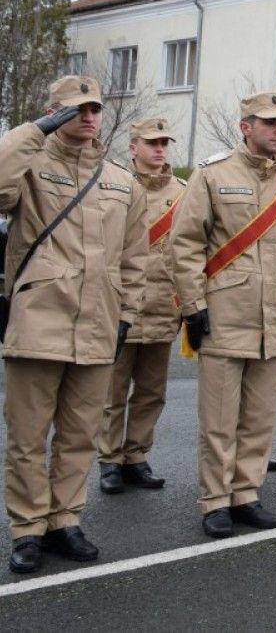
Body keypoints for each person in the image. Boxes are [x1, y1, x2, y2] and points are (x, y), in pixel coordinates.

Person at [1, 76, 148, 574]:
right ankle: (27, 528)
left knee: (80, 434)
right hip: (38, 320)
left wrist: (126, 316)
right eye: (75, 109)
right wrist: (34, 131)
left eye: (94, 109)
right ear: (54, 113)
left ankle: (65, 520)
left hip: (99, 322)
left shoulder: (121, 180)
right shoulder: (30, 165)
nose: (87, 117)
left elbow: (135, 259)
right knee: (27, 437)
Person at [170, 91, 276, 539]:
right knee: (219, 418)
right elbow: (186, 243)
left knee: (258, 417)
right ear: (245, 127)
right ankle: (215, 500)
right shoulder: (212, 174)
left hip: (272, 318)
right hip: (223, 314)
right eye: (268, 122)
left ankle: (245, 494)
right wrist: (193, 306)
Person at [97, 118, 186, 494]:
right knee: (112, 392)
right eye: (152, 143)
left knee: (152, 391)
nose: (160, 149)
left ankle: (136, 455)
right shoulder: (114, 186)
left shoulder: (183, 193)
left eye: (164, 142)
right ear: (133, 148)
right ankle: (109, 458)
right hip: (121, 307)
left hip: (164, 306)